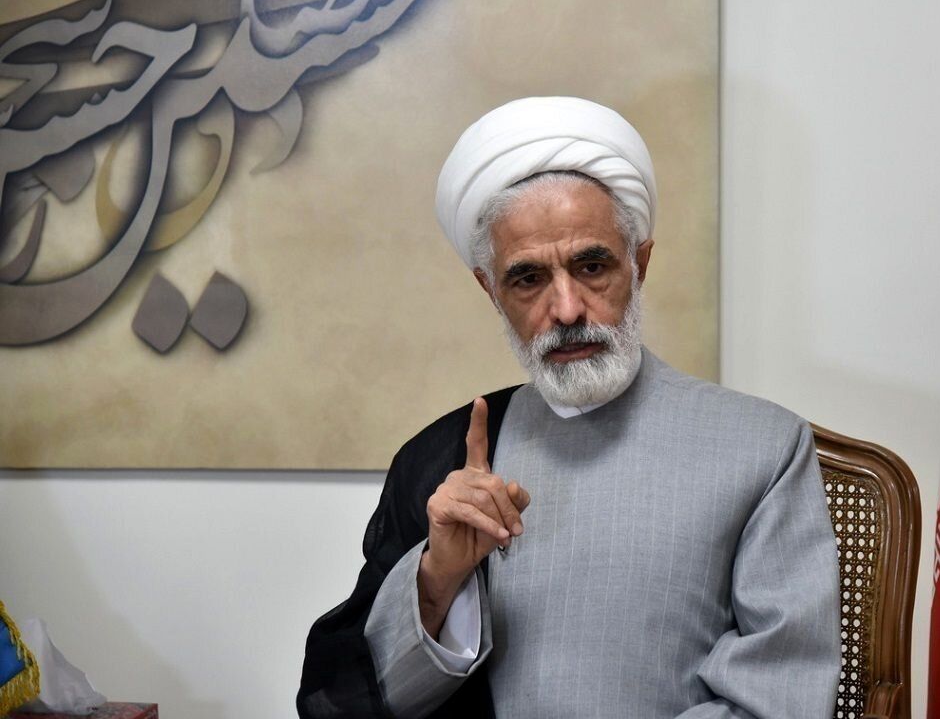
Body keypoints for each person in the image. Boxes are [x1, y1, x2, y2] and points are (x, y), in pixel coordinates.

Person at [297, 97, 841, 719]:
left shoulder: (764, 447)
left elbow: (780, 697)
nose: (566, 309)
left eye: (592, 266)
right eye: (528, 278)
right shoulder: (441, 462)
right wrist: (437, 581)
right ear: (491, 291)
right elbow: (362, 702)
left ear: (639, 264)